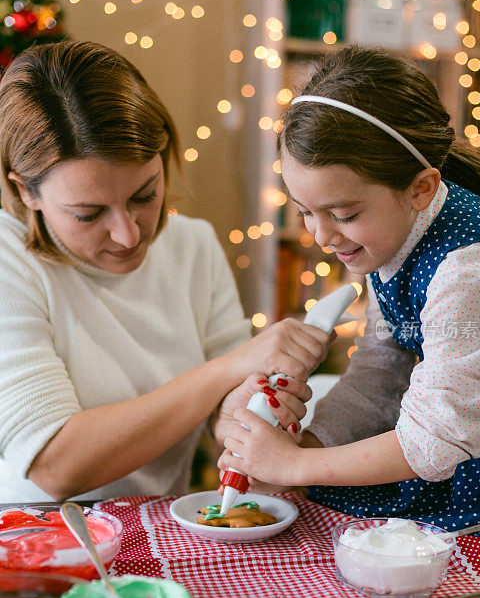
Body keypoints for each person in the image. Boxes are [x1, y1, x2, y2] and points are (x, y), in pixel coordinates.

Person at [219, 44, 480, 547]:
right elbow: (381, 372)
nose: (322, 237)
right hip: (445, 453)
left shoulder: (474, 269)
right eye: (304, 211)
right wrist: (300, 451)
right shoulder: (390, 234)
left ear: (422, 188)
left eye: (343, 214)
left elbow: (437, 441)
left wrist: (299, 463)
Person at [0, 40, 331, 503]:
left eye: (144, 195)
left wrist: (243, 412)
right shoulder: (8, 257)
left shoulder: (192, 245)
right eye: (89, 213)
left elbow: (227, 403)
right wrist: (232, 366)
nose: (129, 235)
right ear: (26, 191)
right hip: (31, 536)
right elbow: (57, 467)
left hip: (155, 528)